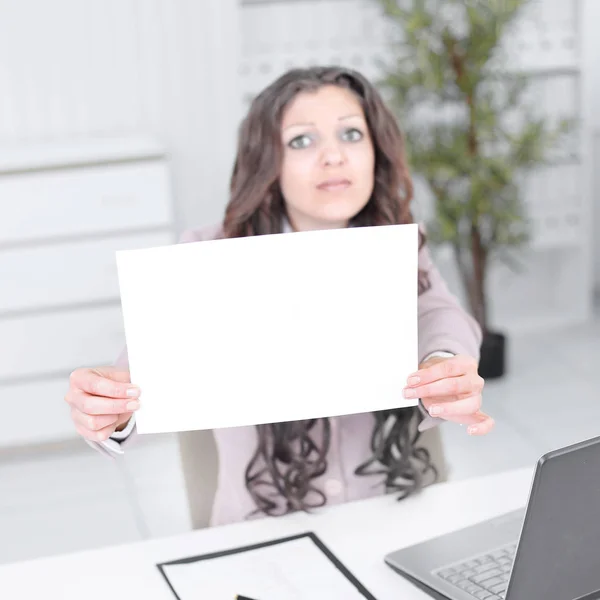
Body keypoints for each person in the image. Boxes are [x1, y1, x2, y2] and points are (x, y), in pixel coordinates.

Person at [65, 66, 492, 527]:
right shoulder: (209, 254)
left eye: (351, 134)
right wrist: (108, 407)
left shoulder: (402, 246)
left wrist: (443, 364)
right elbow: (144, 370)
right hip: (260, 534)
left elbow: (439, 314)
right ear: (268, 163)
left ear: (376, 153)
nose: (333, 156)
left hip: (387, 515)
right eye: (302, 141)